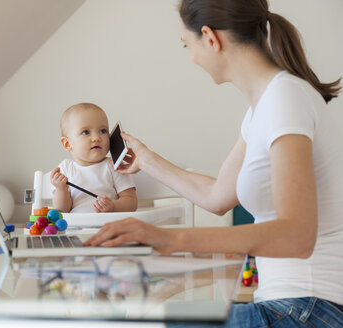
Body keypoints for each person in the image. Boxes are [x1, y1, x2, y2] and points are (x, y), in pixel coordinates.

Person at [85, 0, 343, 326]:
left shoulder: (285, 98)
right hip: (291, 305)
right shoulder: (263, 108)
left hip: (307, 309)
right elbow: (218, 196)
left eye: (186, 45)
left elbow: (297, 236)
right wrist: (147, 160)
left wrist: (170, 239)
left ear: (210, 37)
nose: (191, 57)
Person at [50, 102, 138, 213]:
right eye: (85, 132)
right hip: (77, 228)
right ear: (67, 144)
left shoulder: (115, 165)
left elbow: (131, 201)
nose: (96, 137)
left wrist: (114, 207)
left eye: (103, 131)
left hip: (110, 225)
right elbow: (62, 210)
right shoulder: (65, 168)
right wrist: (61, 189)